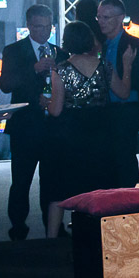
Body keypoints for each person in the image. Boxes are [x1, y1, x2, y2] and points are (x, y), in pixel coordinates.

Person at [43, 21, 115, 238]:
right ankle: (102, 237)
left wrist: (45, 103)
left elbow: (56, 110)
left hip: (69, 134)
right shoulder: (104, 66)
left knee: (59, 190)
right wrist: (128, 67)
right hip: (99, 133)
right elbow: (122, 92)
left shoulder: (60, 69)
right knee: (98, 186)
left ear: (67, 41)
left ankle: (51, 241)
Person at [0, 5, 58, 240]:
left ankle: (52, 229)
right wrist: (33, 69)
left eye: (47, 26)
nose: (43, 31)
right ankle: (17, 229)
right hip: (24, 128)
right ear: (28, 26)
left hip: (52, 129)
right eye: (38, 26)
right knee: (21, 181)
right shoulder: (13, 51)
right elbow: (6, 85)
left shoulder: (59, 52)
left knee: (51, 181)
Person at [97, 0, 139, 187]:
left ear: (120, 18)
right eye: (99, 17)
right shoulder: (99, 44)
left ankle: (130, 200)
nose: (101, 22)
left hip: (126, 110)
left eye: (106, 17)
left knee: (125, 161)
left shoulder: (134, 44)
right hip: (104, 111)